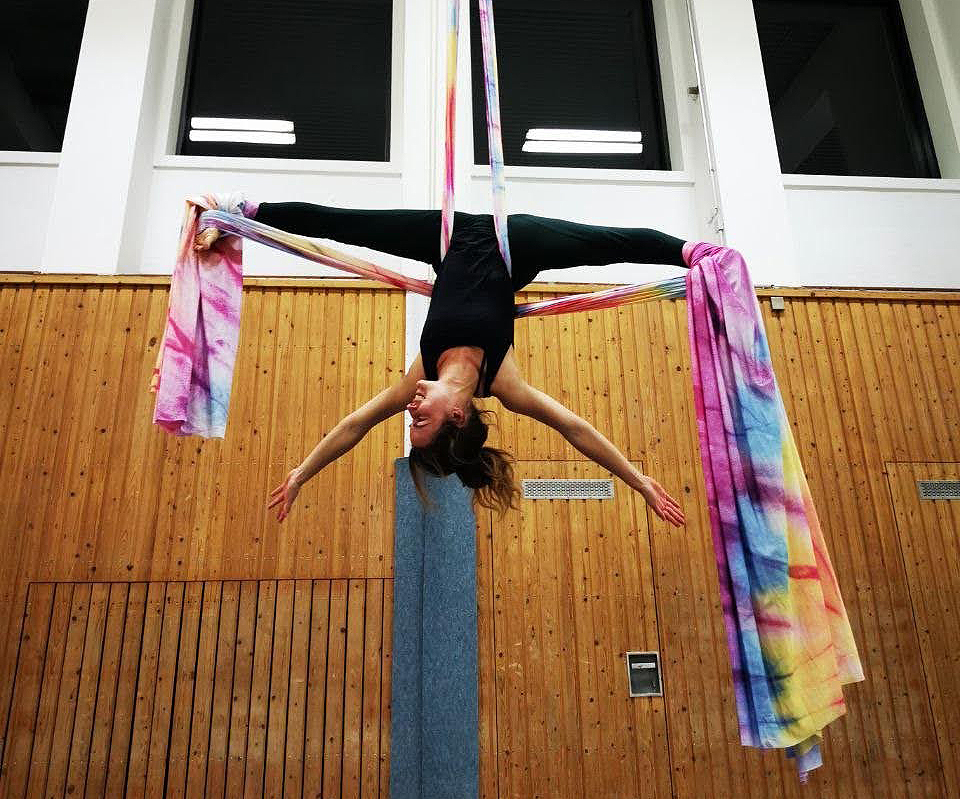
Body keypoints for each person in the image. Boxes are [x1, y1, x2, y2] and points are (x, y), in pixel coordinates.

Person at [194, 201, 690, 526]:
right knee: (606, 243)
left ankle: (241, 212)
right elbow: (576, 430)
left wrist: (302, 472)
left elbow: (354, 426)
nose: (410, 407)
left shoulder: (422, 372)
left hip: (448, 241)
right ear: (457, 414)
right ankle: (691, 252)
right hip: (513, 246)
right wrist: (639, 481)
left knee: (349, 224)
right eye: (420, 419)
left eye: (409, 418)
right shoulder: (503, 381)